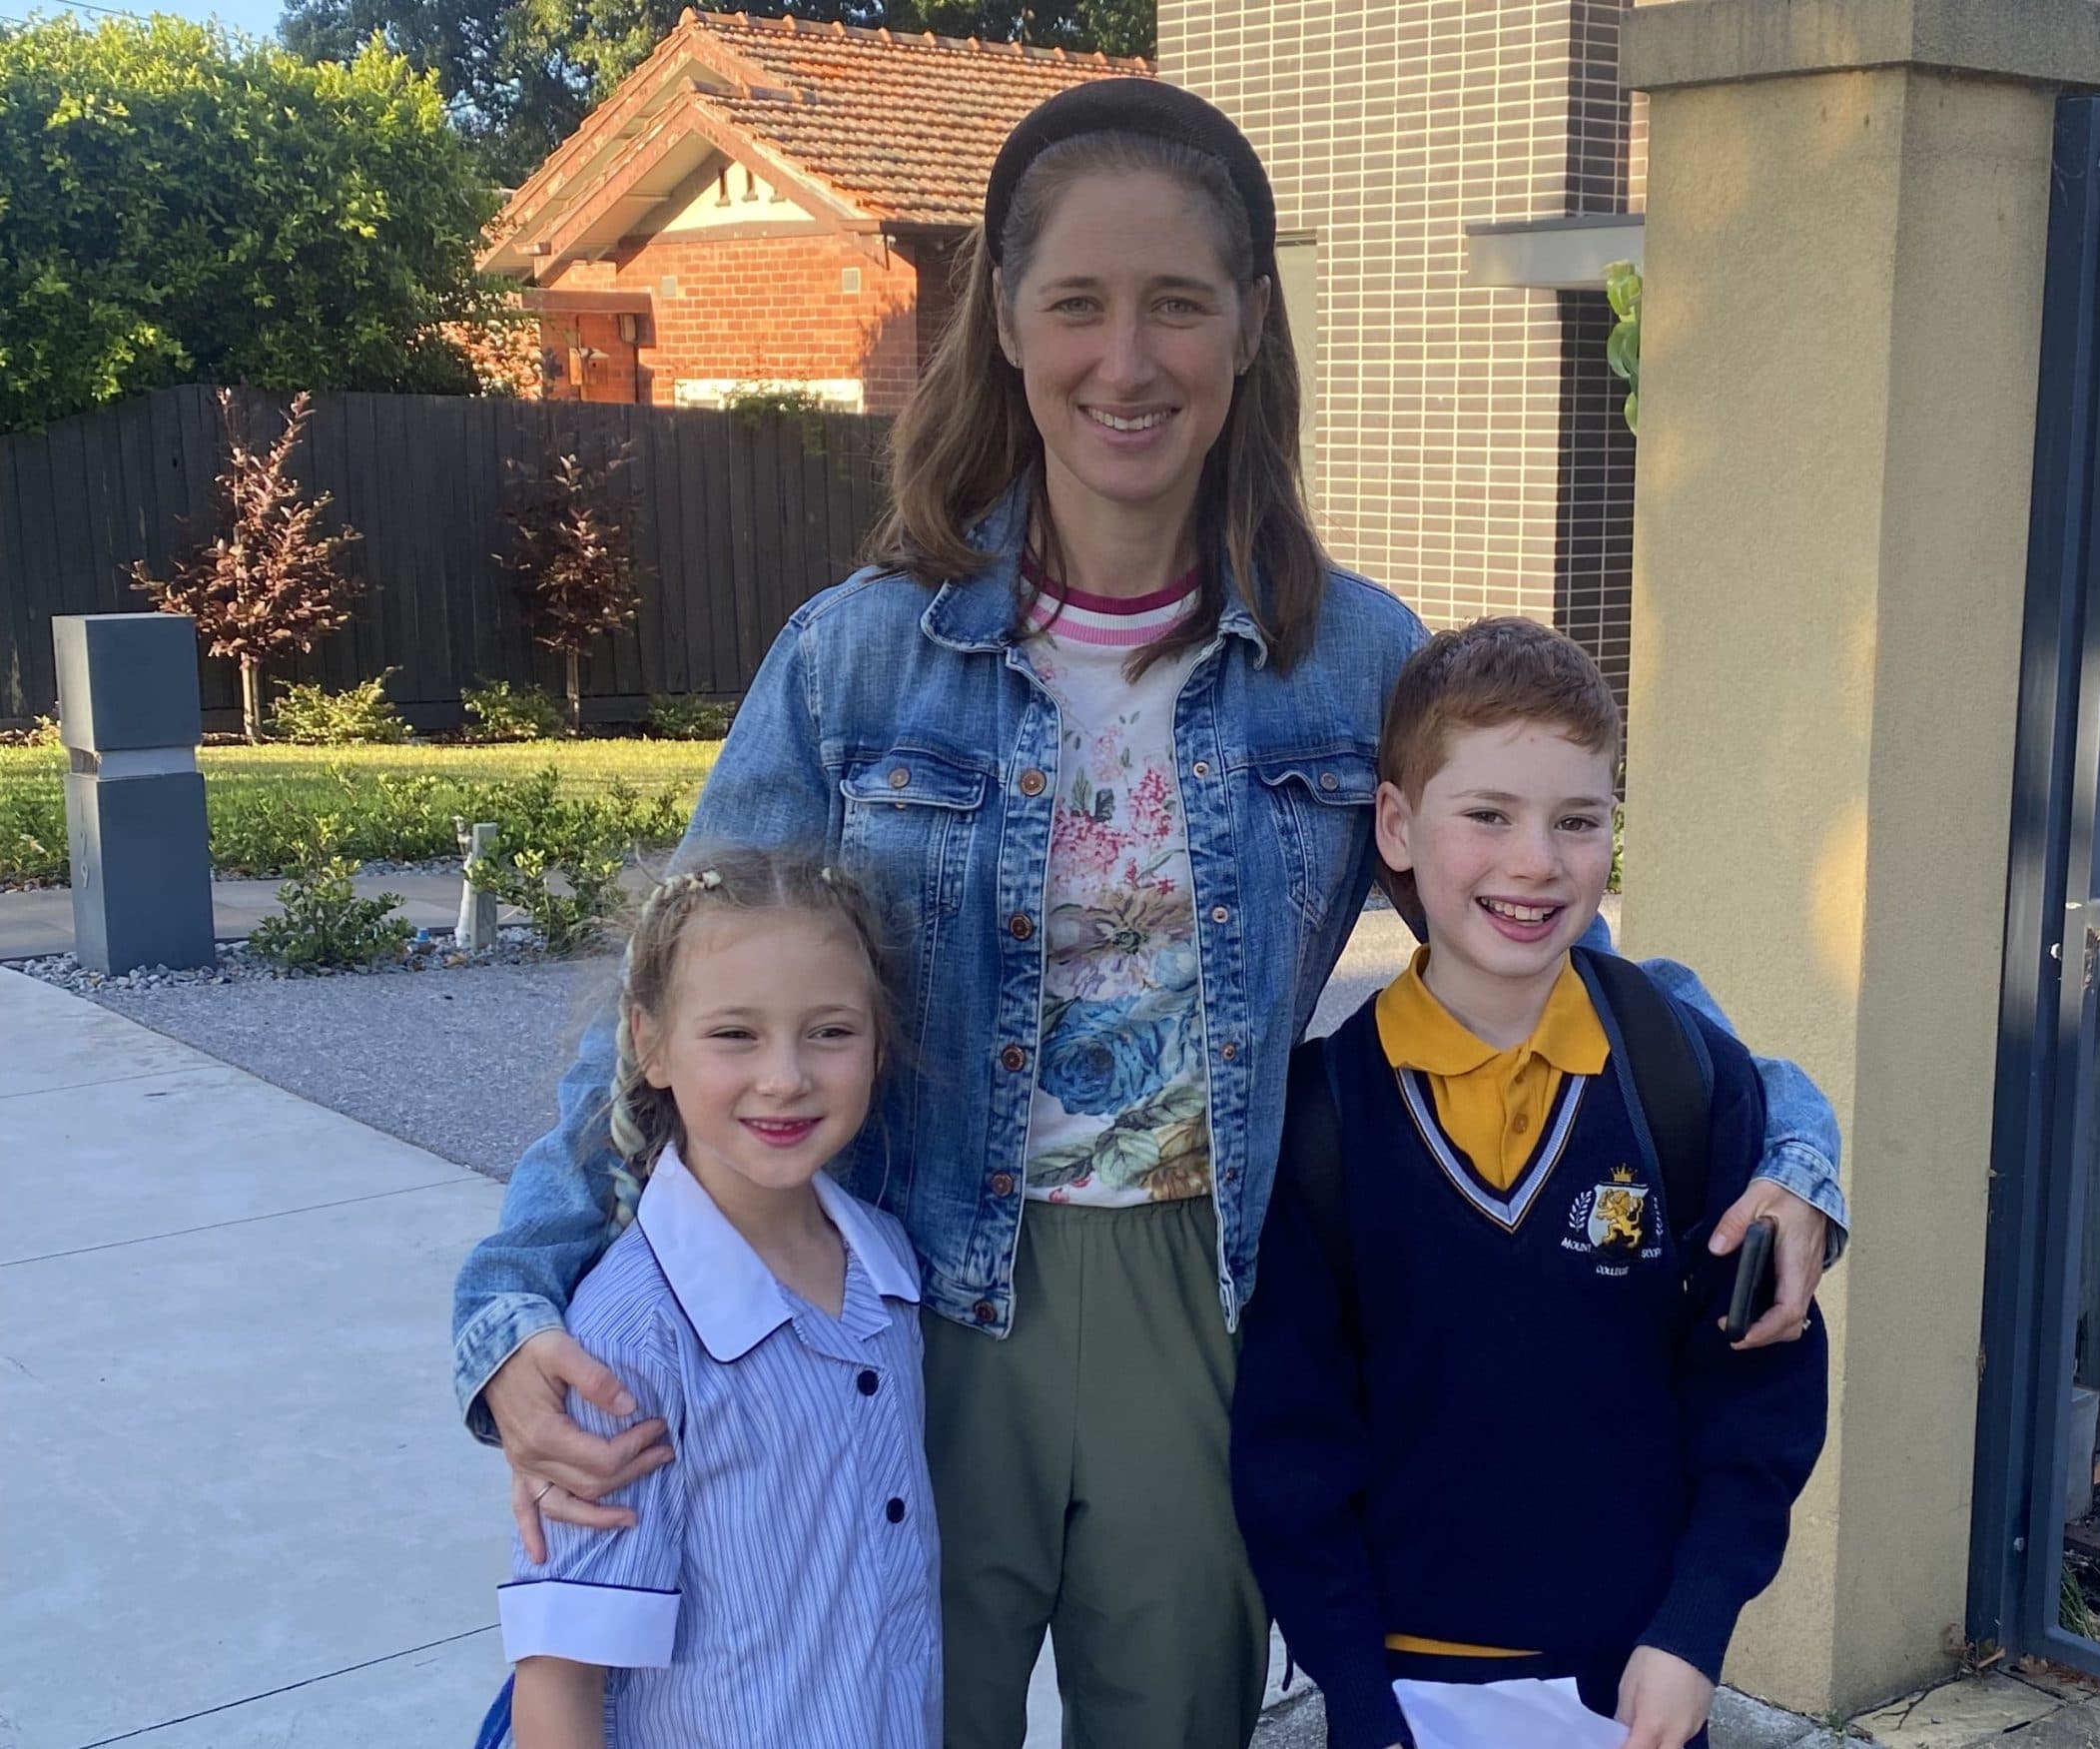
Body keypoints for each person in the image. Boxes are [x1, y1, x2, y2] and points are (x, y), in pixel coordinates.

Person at [452, 79, 1845, 1749]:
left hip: (1209, 1317)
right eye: (1082, 304)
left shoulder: (1351, 662)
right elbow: (668, 1002)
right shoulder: (862, 652)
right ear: (1009, 324)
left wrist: (1797, 1157)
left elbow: (1551, 947)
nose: (1130, 358)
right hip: (909, 1315)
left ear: (1251, 325)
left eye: (1178, 303)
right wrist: (514, 1308)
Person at [1230, 620, 1833, 1749]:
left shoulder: (1683, 1079)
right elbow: (1291, 1451)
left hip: (1637, 1685)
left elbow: (1759, 1392)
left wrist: (1696, 1627)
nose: (1534, 862)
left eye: (1577, 819)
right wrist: (1357, 1695)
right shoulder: (1322, 1119)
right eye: (1489, 815)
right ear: (1399, 827)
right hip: (1403, 1695)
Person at [480, 848, 934, 1749]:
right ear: (650, 1043)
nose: (784, 1076)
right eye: (735, 1034)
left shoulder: (886, 1264)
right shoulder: (631, 1338)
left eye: (830, 1032)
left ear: (879, 1044)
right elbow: (562, 1674)